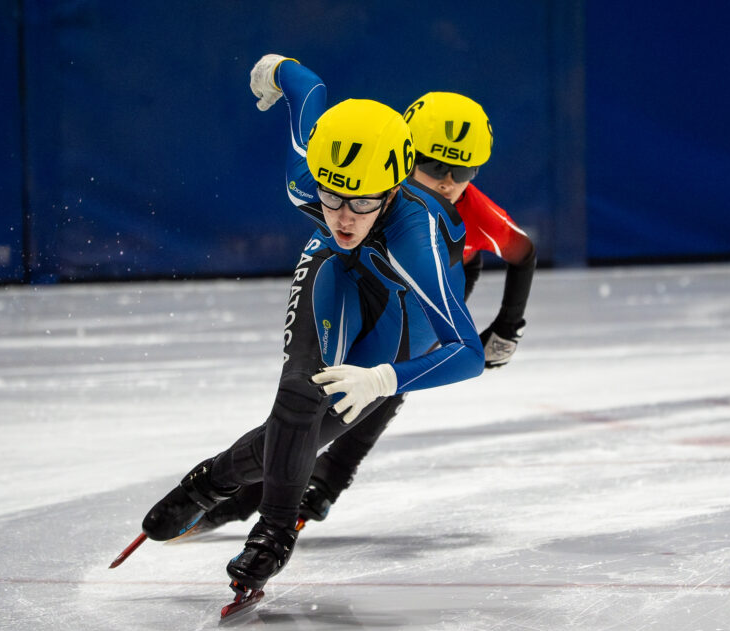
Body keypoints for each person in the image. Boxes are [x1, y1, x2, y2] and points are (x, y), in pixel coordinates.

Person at [139, 55, 484, 597]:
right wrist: (275, 69)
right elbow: (307, 87)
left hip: (395, 308)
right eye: (333, 196)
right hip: (333, 270)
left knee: (324, 426)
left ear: (394, 190)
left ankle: (214, 479)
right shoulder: (307, 181)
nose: (344, 216)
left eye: (364, 202)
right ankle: (274, 534)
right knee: (302, 392)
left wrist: (385, 380)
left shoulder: (414, 242)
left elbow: (468, 352)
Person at [194, 91, 536, 533]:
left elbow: (524, 253)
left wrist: (508, 326)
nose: (448, 182)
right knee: (319, 384)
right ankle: (257, 488)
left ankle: (326, 481)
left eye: (463, 171)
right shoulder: (370, 193)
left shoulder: (476, 213)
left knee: (382, 390)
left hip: (432, 289)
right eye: (433, 166)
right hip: (362, 278)